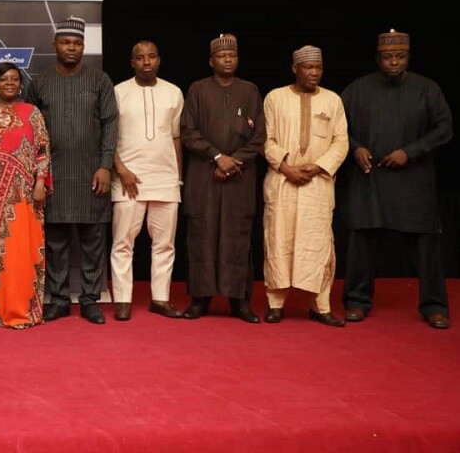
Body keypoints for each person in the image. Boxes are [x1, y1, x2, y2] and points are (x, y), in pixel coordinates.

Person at [339, 29, 452, 329]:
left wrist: (410, 151)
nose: (393, 62)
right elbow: (338, 128)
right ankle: (356, 301)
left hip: (413, 178)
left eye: (399, 57)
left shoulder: (427, 89)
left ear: (408, 58)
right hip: (370, 177)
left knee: (427, 240)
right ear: (378, 58)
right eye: (388, 57)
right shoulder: (357, 90)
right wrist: (355, 148)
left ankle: (434, 305)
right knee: (361, 237)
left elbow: (444, 129)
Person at [24, 15, 118, 325]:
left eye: (77, 43)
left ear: (83, 47)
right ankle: (60, 299)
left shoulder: (99, 80)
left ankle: (90, 300)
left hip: (92, 172)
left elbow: (110, 124)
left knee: (93, 239)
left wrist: (105, 166)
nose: (71, 48)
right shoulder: (40, 82)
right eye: (65, 42)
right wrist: (38, 174)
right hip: (54, 175)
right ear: (55, 45)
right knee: (56, 240)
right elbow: (31, 129)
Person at [180, 33, 266, 323]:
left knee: (237, 237)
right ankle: (200, 299)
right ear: (211, 61)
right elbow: (188, 131)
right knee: (202, 234)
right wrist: (217, 157)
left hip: (239, 177)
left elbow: (259, 137)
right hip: (204, 177)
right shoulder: (197, 89)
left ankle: (239, 301)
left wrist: (233, 161)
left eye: (232, 55)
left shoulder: (250, 90)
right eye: (222, 56)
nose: (228, 59)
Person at [262, 45, 348, 327]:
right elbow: (266, 138)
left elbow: (341, 141)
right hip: (283, 180)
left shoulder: (333, 100)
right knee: (278, 241)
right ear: (294, 69)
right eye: (308, 67)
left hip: (318, 182)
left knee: (319, 243)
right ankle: (276, 304)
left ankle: (320, 306)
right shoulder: (275, 97)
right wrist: (286, 167)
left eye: (318, 68)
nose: (314, 73)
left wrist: (318, 166)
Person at [0, 62, 52, 329]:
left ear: (21, 84)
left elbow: (42, 148)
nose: (10, 83)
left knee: (18, 250)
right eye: (4, 79)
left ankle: (17, 307)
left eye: (15, 79)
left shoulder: (32, 113)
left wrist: (41, 183)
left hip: (22, 194)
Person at [110, 40, 184, 322]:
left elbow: (176, 138)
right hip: (128, 179)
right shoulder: (118, 92)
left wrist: (178, 177)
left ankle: (161, 299)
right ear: (132, 62)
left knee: (165, 244)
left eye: (151, 56)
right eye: (140, 57)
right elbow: (109, 137)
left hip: (165, 179)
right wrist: (121, 170)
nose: (146, 62)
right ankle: (124, 300)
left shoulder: (174, 93)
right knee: (122, 243)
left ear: (159, 60)